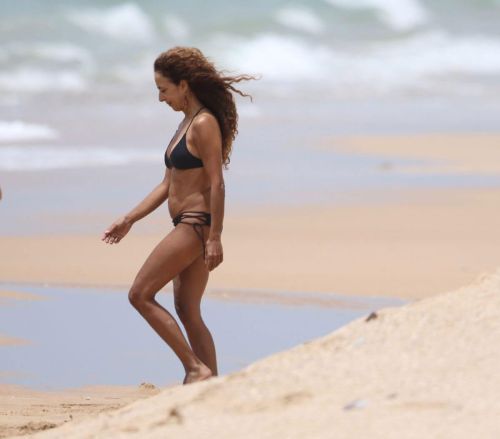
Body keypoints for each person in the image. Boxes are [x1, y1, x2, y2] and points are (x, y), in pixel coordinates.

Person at [101, 47, 255, 385]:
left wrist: (215, 236)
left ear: (183, 85)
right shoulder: (185, 123)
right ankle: (212, 384)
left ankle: (194, 368)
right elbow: (166, 184)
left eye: (163, 89)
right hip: (188, 225)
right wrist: (129, 219)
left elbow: (217, 183)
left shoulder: (203, 124)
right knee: (187, 310)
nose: (160, 98)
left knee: (139, 294)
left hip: (196, 226)